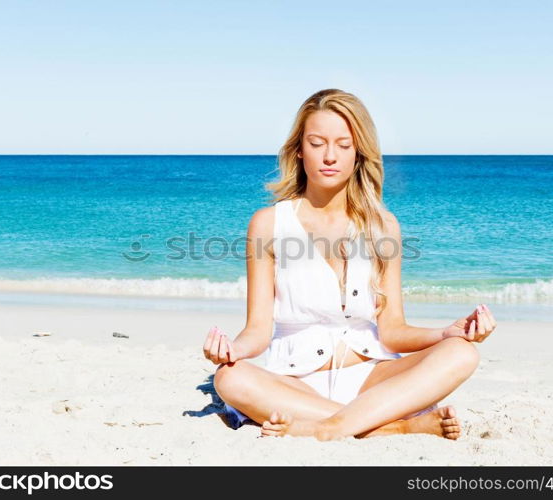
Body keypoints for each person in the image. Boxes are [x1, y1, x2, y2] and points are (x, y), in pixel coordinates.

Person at [203, 89, 496, 441]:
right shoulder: (268, 224)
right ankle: (394, 426)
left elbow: (393, 331)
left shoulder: (383, 227)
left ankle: (332, 428)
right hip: (296, 385)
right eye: (317, 143)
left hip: (373, 379)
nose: (330, 156)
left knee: (462, 353)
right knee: (228, 377)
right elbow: (258, 330)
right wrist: (233, 350)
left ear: (358, 153)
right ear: (299, 149)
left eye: (343, 145)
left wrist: (447, 333)